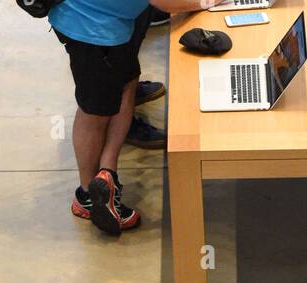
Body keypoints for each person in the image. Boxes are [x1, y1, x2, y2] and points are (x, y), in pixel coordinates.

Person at [49, 0, 216, 236]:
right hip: (91, 28)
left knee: (127, 82)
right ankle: (87, 196)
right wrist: (208, 2)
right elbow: (166, 3)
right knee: (94, 111)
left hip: (112, 24)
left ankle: (107, 176)